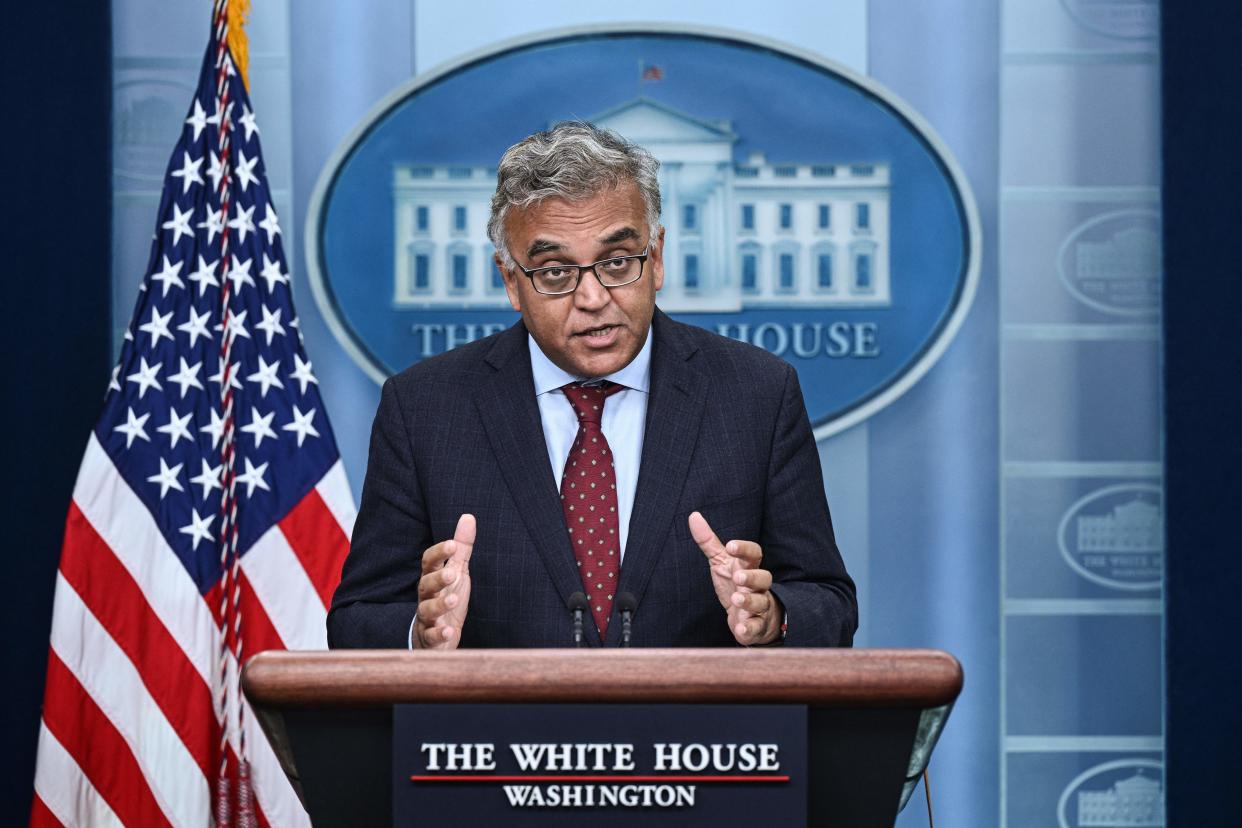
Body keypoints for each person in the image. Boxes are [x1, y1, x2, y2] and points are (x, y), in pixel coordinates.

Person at [328, 122, 856, 649]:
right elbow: (356, 620)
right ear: (511, 281)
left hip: (697, 729)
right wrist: (420, 633)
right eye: (555, 272)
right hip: (497, 727)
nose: (593, 297)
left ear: (659, 258)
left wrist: (771, 617)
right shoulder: (424, 409)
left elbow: (827, 600)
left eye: (618, 262)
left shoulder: (757, 394)